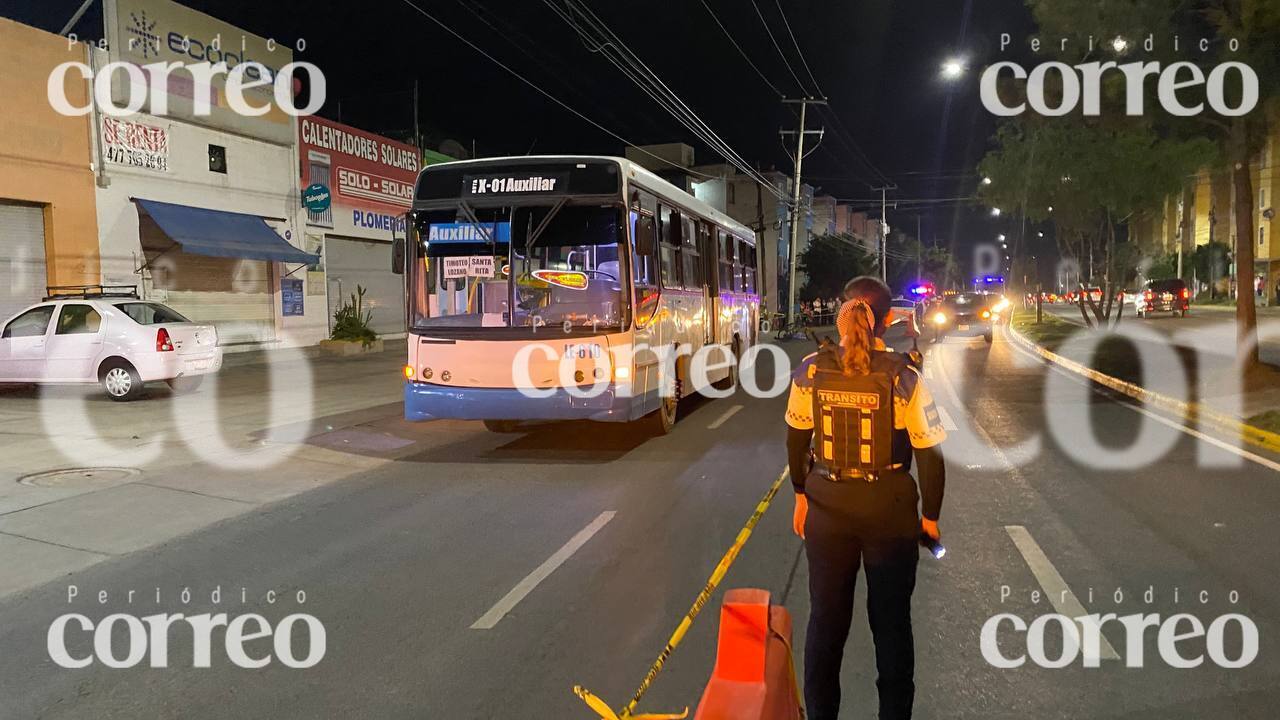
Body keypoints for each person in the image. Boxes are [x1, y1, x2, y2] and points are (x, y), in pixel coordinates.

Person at [785, 275, 948, 720]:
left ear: (841, 316)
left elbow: (797, 440)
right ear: (887, 319)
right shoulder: (903, 376)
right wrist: (929, 520)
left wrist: (802, 496)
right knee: (891, 627)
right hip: (889, 513)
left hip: (827, 510)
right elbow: (930, 457)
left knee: (826, 624)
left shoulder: (812, 369)